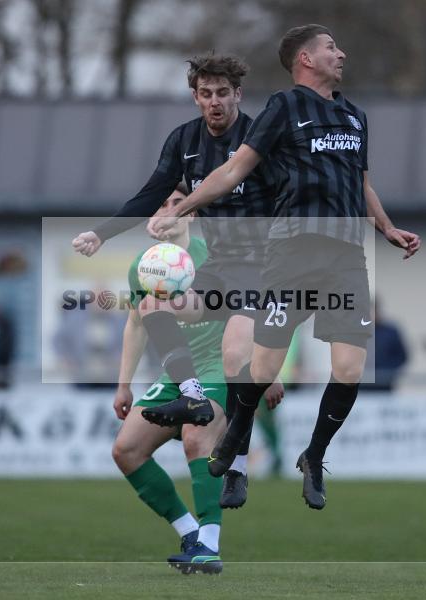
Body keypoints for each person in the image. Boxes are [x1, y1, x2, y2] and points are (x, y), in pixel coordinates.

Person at [152, 25, 420, 509]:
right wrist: (183, 205)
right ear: (305, 59)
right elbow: (234, 170)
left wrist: (387, 227)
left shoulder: (354, 116)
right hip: (292, 250)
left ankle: (314, 457)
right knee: (262, 366)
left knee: (349, 369)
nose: (341, 53)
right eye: (331, 47)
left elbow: (362, 184)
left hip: (345, 255)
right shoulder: (282, 108)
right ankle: (235, 440)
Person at [72, 53, 281, 508]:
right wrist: (101, 233)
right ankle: (192, 396)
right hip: (221, 268)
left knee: (233, 355)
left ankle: (238, 467)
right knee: (153, 305)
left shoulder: (258, 138)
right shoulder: (184, 140)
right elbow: (150, 193)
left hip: (261, 268)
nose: (214, 102)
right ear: (195, 97)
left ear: (238, 95)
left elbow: (289, 194)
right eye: (205, 94)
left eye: (222, 93)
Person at [111, 188, 284, 573]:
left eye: (177, 202)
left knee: (196, 437)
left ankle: (208, 544)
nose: (168, 210)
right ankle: (189, 531)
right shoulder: (144, 265)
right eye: (160, 204)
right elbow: (137, 323)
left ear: (191, 213)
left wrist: (266, 370)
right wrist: (123, 383)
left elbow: (254, 313)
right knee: (126, 450)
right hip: (176, 373)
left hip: (219, 368)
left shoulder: (219, 257)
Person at [361, 301, 408, 392]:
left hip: (383, 385)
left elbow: (402, 356)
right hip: (360, 386)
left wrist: (387, 372)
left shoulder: (390, 332)